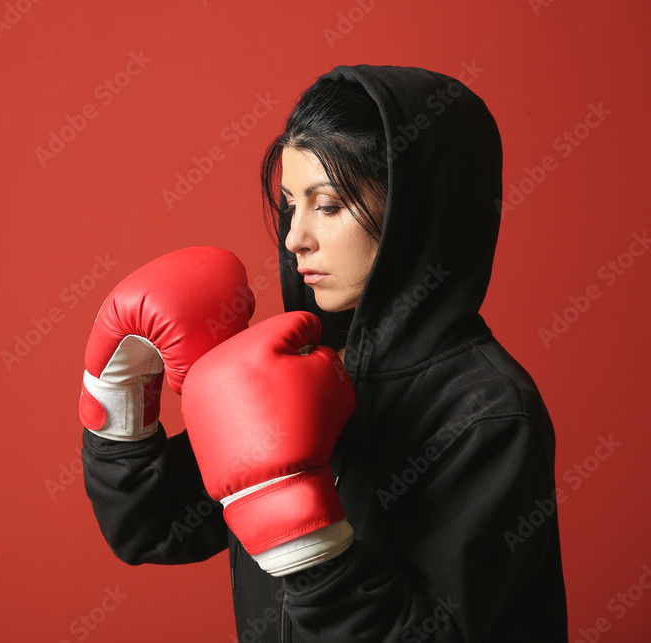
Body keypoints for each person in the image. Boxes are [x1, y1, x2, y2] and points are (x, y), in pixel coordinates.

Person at [77, 64, 568, 642]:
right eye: (290, 204)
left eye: (329, 205)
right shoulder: (303, 371)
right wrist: (120, 398)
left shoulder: (489, 414)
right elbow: (153, 529)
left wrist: (303, 544)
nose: (293, 238)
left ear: (415, 213)